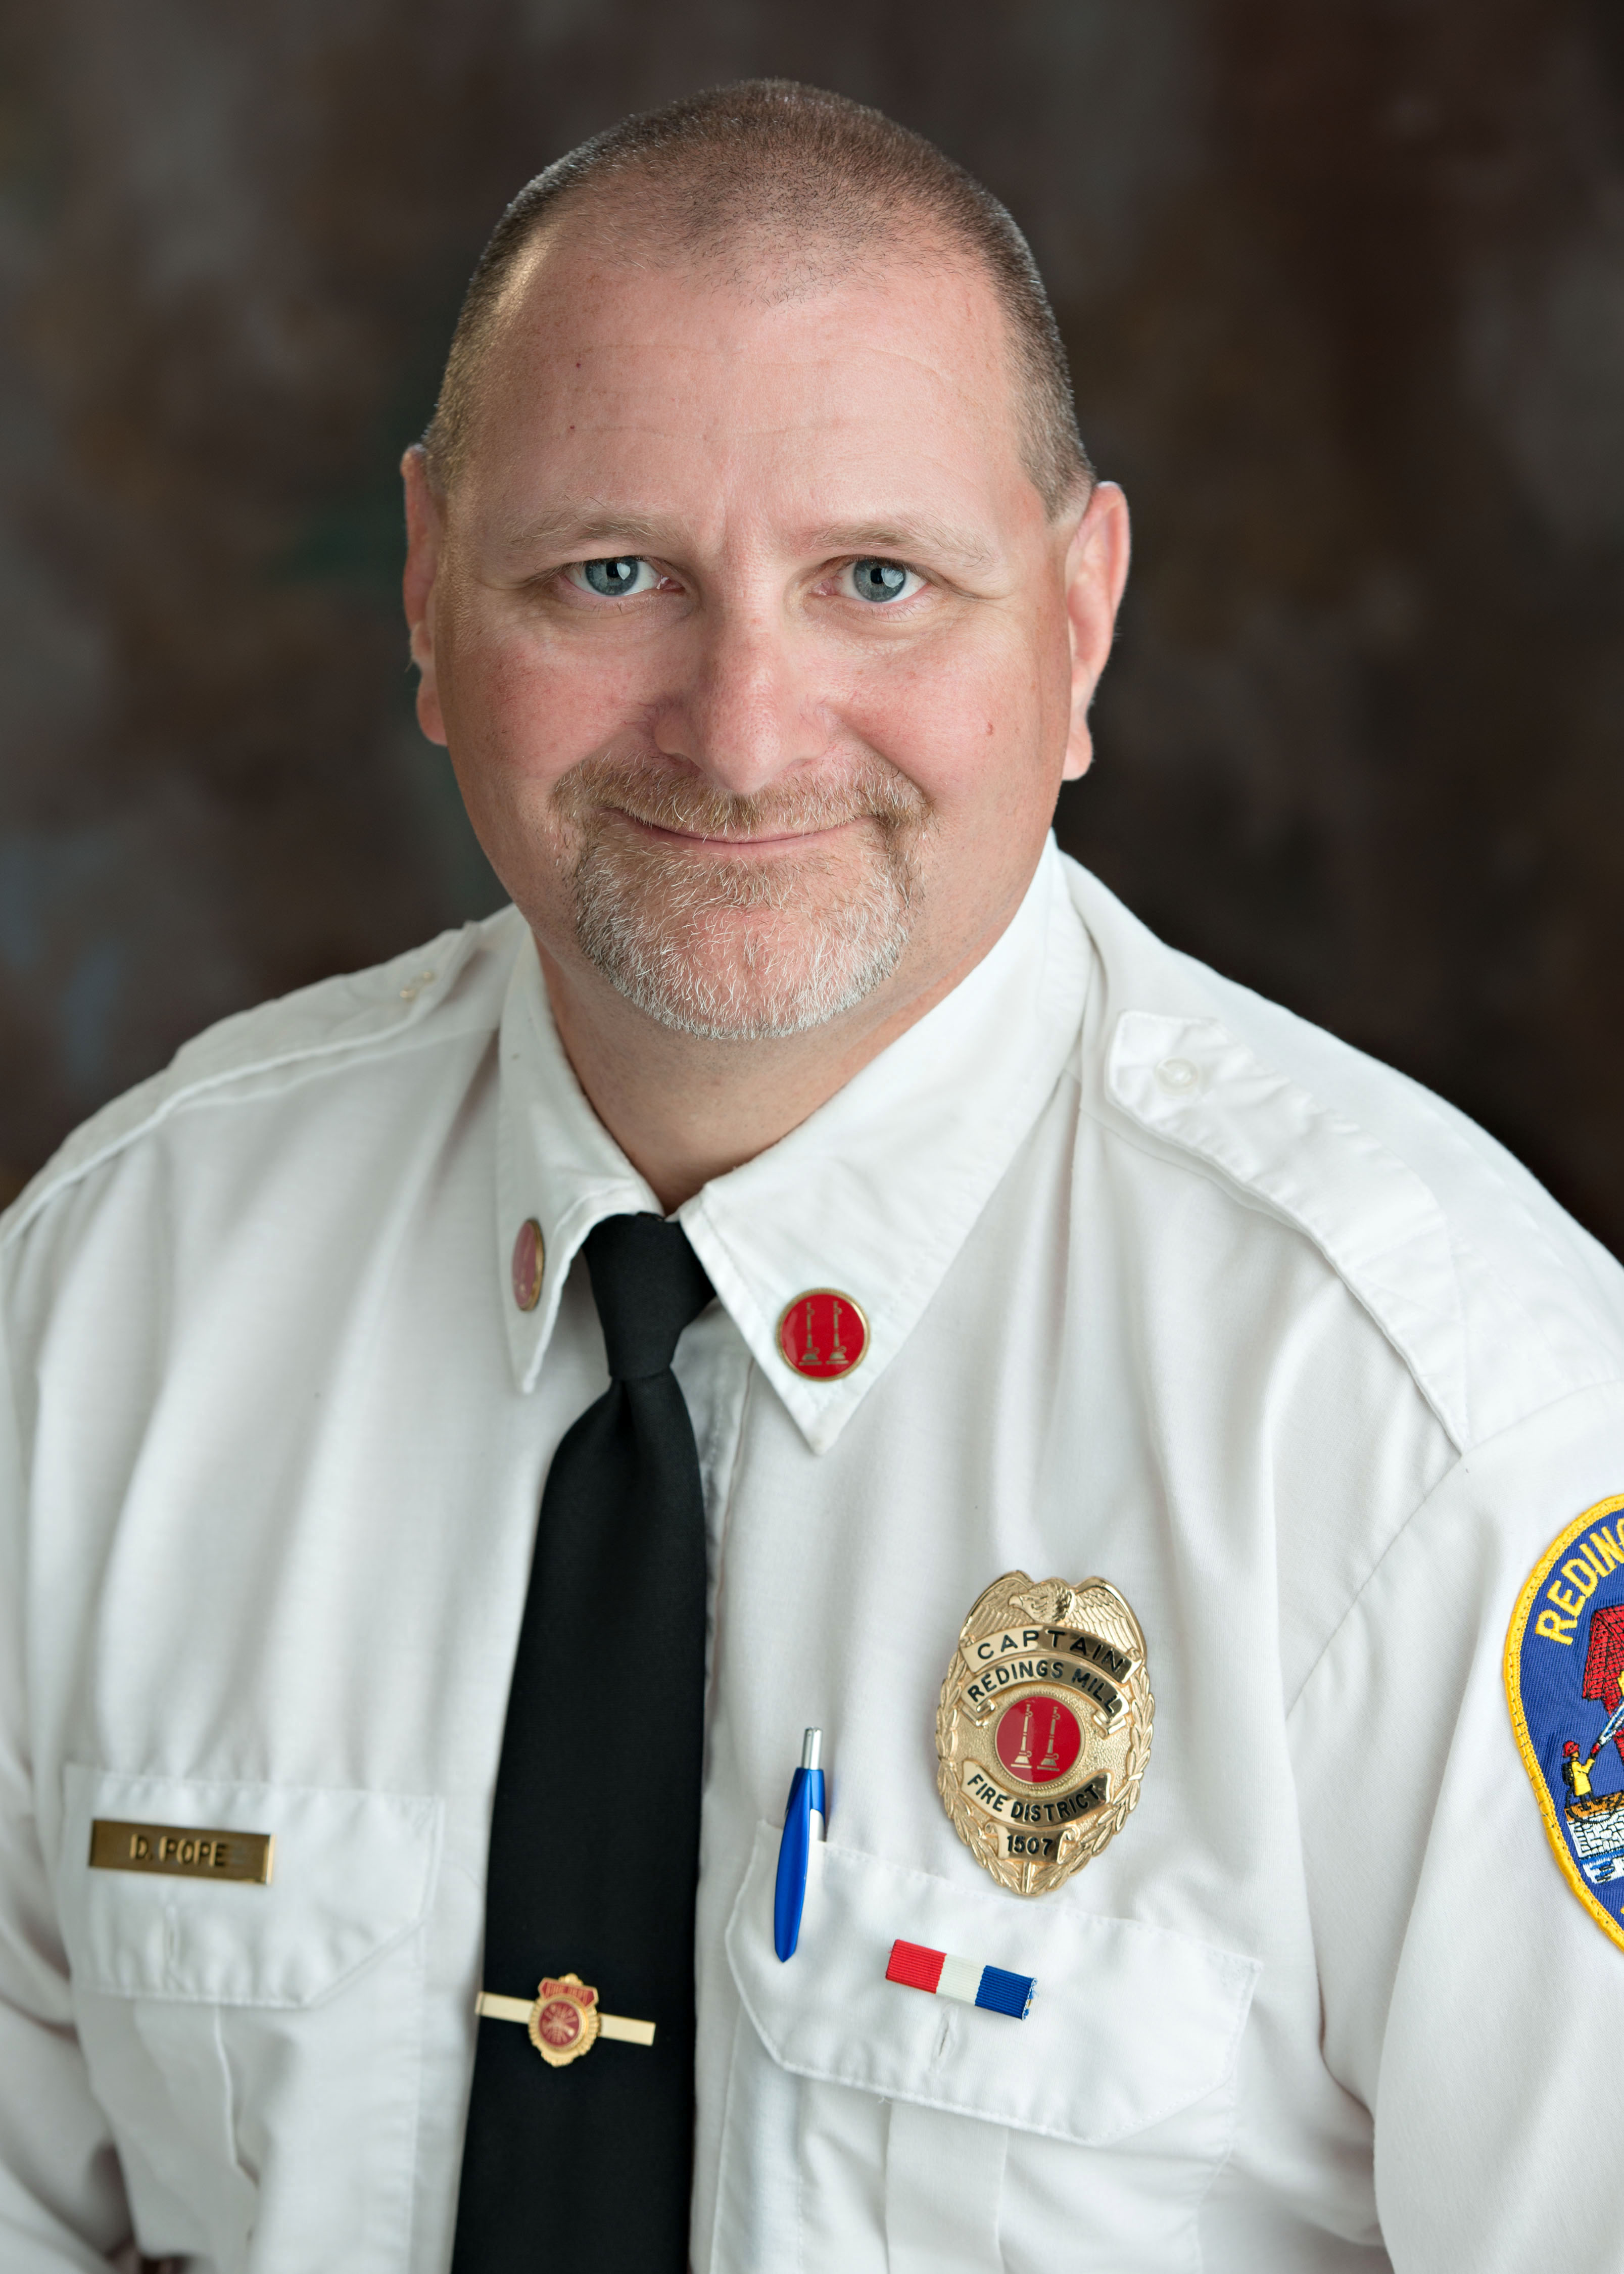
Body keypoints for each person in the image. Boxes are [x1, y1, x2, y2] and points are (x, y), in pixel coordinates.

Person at [3, 77, 1622, 2274]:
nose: (745, 730)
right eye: (611, 575)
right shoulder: (116, 1301)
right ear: (425, 589)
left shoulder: (1439, 1427)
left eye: (878, 579)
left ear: (1080, 621)